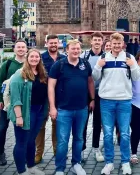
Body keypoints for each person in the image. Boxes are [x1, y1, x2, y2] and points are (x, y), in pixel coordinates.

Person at [93, 32, 140, 175]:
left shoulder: (129, 57)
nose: (116, 46)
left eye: (119, 43)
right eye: (114, 43)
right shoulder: (103, 57)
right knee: (108, 134)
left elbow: (137, 77)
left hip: (124, 101)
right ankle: (109, 163)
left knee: (125, 133)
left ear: (123, 44)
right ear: (110, 44)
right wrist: (98, 67)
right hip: (106, 101)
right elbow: (95, 77)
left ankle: (125, 162)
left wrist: (132, 66)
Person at [48, 39, 95, 175]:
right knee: (62, 140)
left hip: (82, 108)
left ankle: (76, 163)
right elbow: (51, 87)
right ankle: (60, 168)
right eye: (73, 48)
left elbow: (90, 81)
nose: (76, 51)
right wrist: (52, 107)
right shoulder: (59, 65)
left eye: (78, 49)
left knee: (79, 138)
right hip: (64, 109)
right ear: (67, 50)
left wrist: (92, 99)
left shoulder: (85, 64)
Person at [8, 49, 48, 175]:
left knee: (31, 140)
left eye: (37, 57)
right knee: (21, 142)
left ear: (40, 59)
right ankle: (21, 170)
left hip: (39, 111)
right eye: (32, 56)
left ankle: (31, 167)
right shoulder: (19, 74)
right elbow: (15, 97)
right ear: (27, 58)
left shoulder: (41, 73)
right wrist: (19, 116)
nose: (34, 59)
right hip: (25, 112)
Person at [0, 39, 28, 166]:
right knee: (3, 127)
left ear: (26, 49)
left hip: (24, 104)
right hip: (7, 103)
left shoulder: (29, 64)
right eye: (18, 47)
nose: (21, 49)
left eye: (23, 47)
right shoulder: (7, 64)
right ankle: (0, 153)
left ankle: (22, 154)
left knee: (22, 129)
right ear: (14, 49)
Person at [35, 35, 66, 164]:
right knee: (40, 125)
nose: (53, 45)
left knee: (57, 124)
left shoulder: (63, 58)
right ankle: (39, 153)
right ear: (46, 44)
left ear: (58, 44)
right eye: (51, 43)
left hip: (59, 96)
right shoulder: (41, 58)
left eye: (55, 43)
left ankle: (56, 150)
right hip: (42, 96)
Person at [81, 32, 106, 162]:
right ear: (91, 42)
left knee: (97, 123)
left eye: (99, 40)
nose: (97, 42)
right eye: (95, 40)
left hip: (101, 94)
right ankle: (82, 149)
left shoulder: (106, 56)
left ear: (102, 42)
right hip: (85, 94)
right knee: (83, 122)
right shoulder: (84, 55)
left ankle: (96, 148)